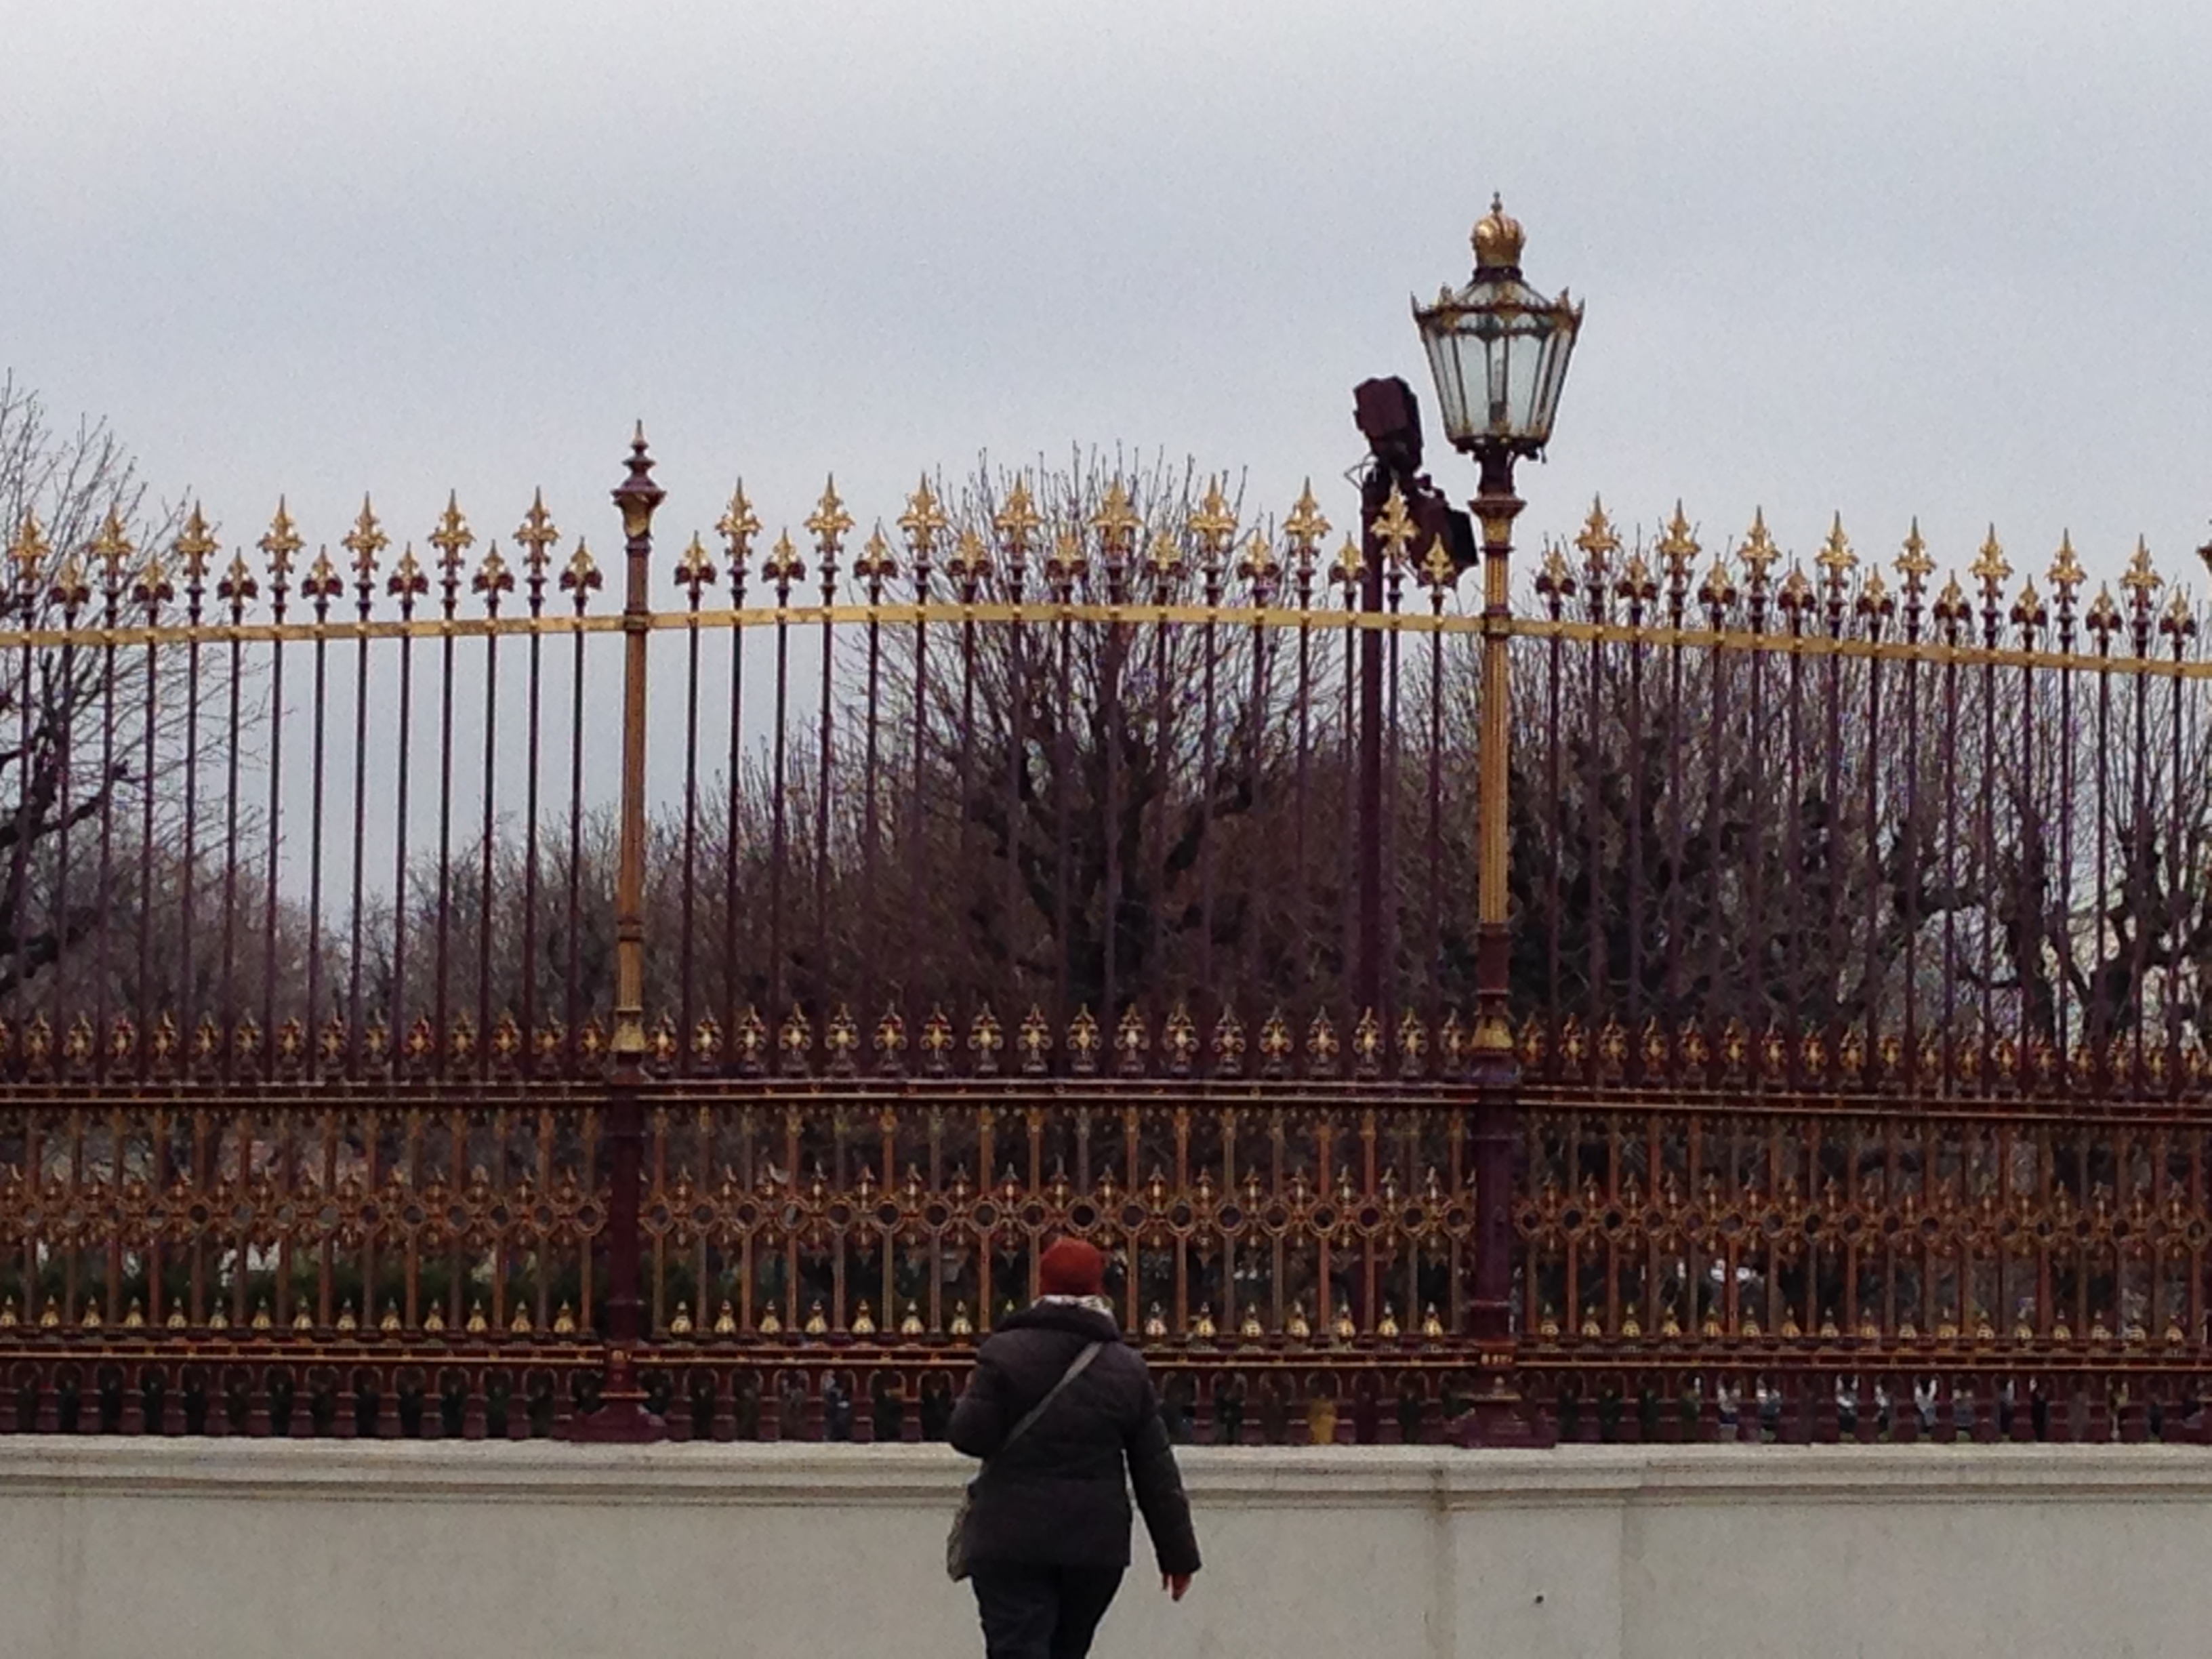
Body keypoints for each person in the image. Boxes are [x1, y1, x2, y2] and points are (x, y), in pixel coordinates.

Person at [949, 1237, 1202, 1659]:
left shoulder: (1003, 1354)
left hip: (1010, 1537)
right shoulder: (1126, 1368)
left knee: (1016, 1647)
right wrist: (1178, 1556)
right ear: (1098, 1288)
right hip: (1093, 1547)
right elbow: (1155, 1469)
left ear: (1041, 1285)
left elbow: (968, 1436)